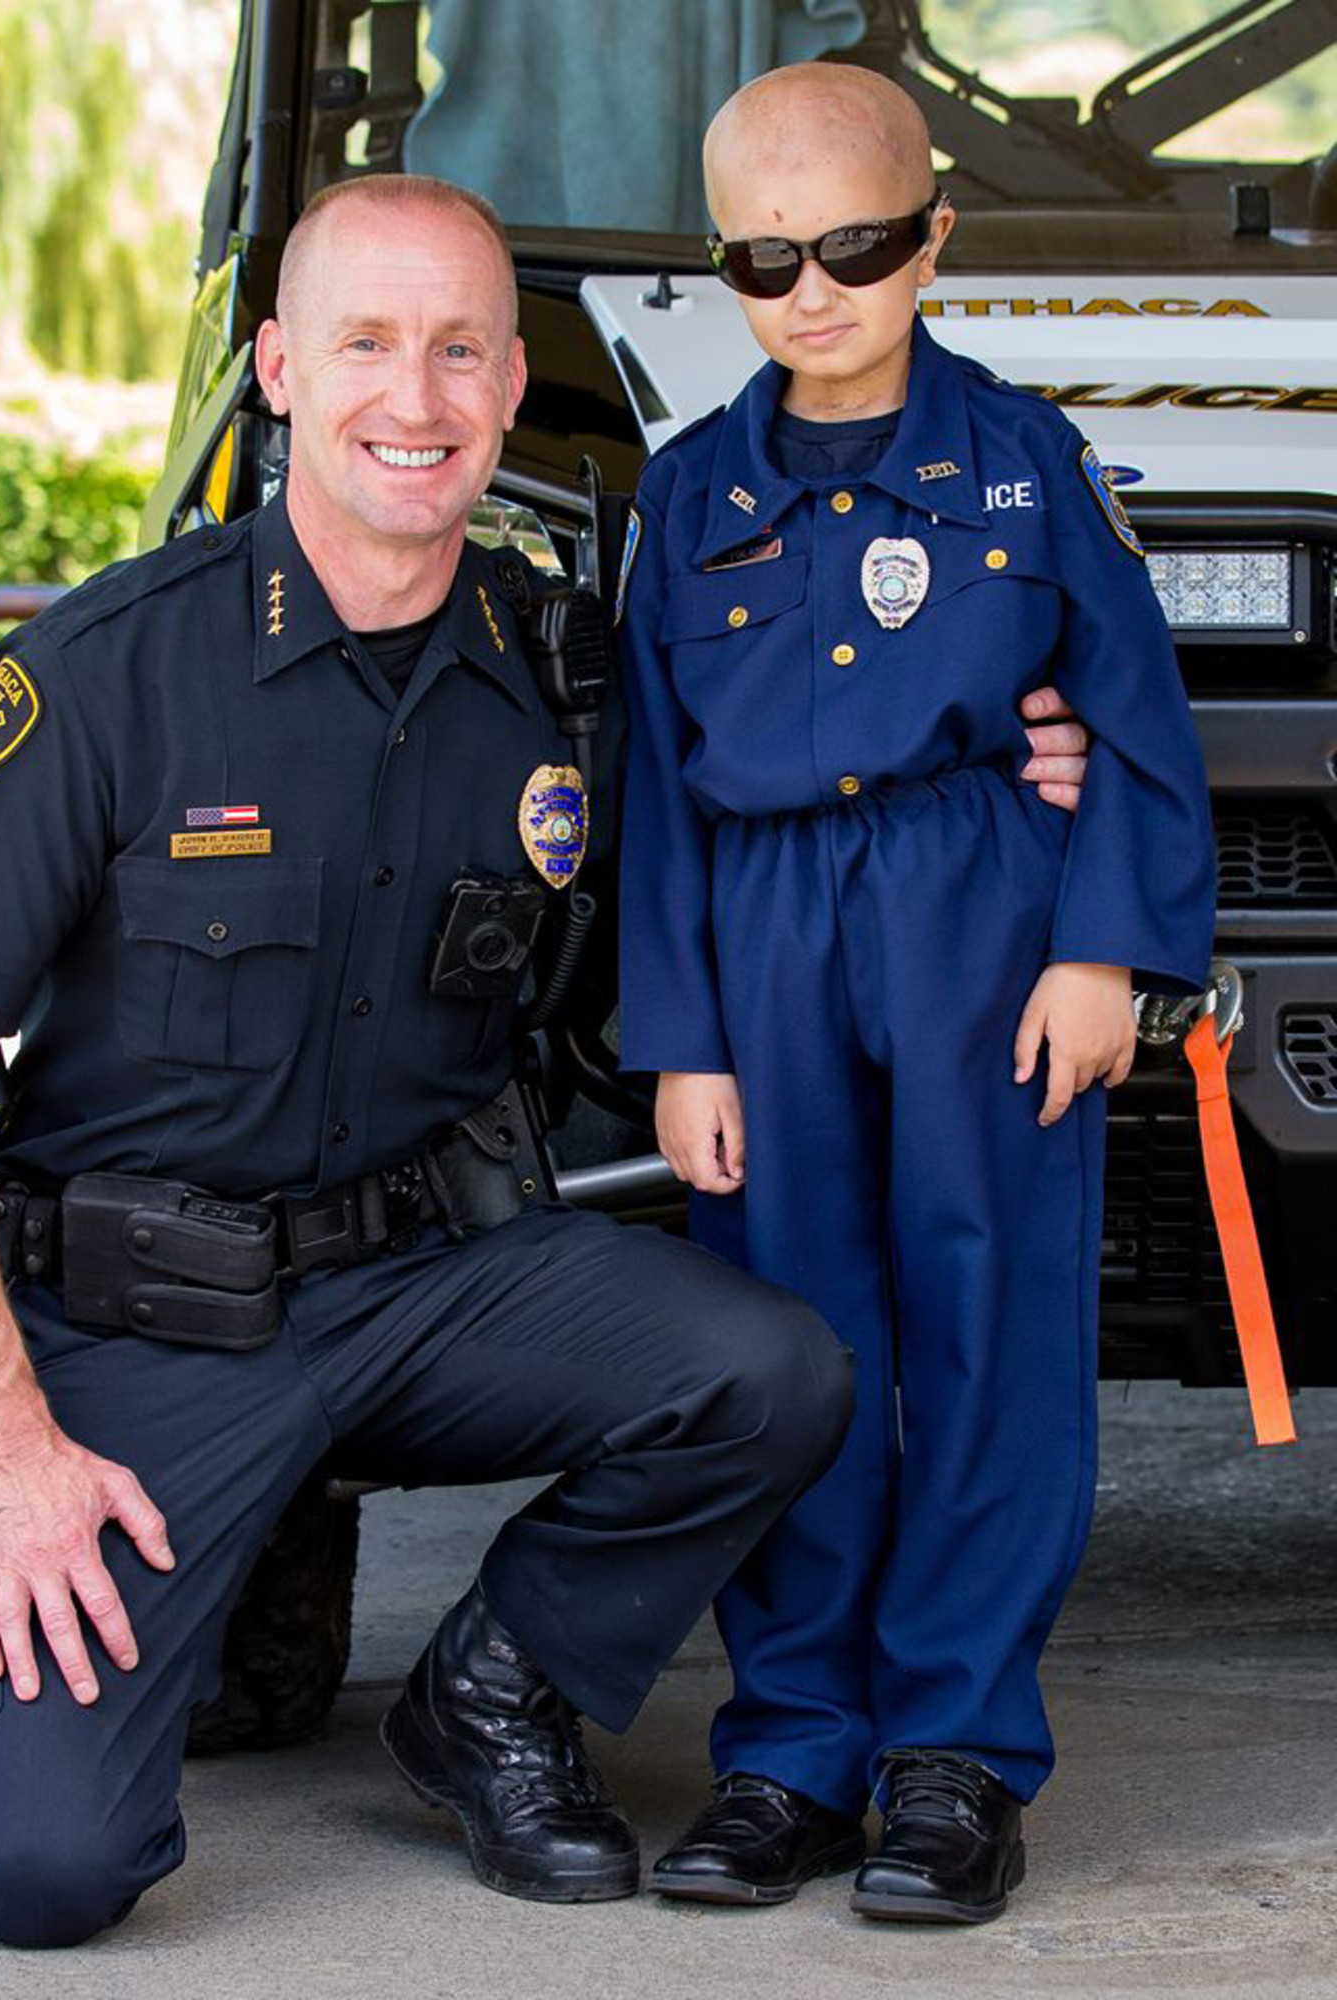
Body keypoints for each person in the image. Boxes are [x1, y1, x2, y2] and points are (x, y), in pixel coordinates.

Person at [0, 174, 862, 1948]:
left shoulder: (562, 678)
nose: (417, 396)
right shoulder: (110, 674)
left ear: (510, 382)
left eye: (460, 350)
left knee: (771, 1372)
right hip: (146, 1332)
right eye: (366, 343)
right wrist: (9, 1444)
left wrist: (1030, 759)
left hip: (434, 1288)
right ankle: (215, 1564)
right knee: (48, 1872)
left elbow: (779, 823)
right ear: (278, 370)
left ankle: (492, 1690)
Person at [616, 65, 1214, 1924]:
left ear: (933, 238)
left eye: (855, 246)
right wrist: (682, 1042)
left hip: (983, 926)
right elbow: (652, 789)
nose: (812, 290)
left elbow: (1135, 723)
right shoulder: (687, 492)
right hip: (764, 940)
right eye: (763, 256)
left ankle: (954, 1752)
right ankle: (793, 1750)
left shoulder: (1029, 462)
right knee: (795, 1351)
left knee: (988, 1334)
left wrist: (1104, 953)